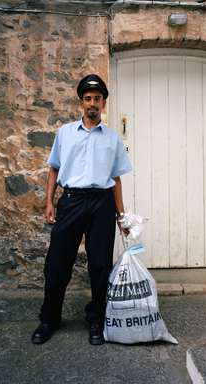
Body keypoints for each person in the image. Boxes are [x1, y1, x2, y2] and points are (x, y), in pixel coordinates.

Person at [31, 74, 132, 346]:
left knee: (100, 265)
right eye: (88, 99)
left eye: (97, 99)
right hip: (72, 201)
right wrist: (49, 202)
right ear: (81, 102)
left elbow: (117, 180)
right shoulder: (65, 134)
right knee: (57, 263)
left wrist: (121, 216)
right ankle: (49, 319)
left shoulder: (112, 139)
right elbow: (53, 169)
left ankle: (96, 319)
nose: (92, 103)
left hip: (101, 204)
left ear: (103, 103)